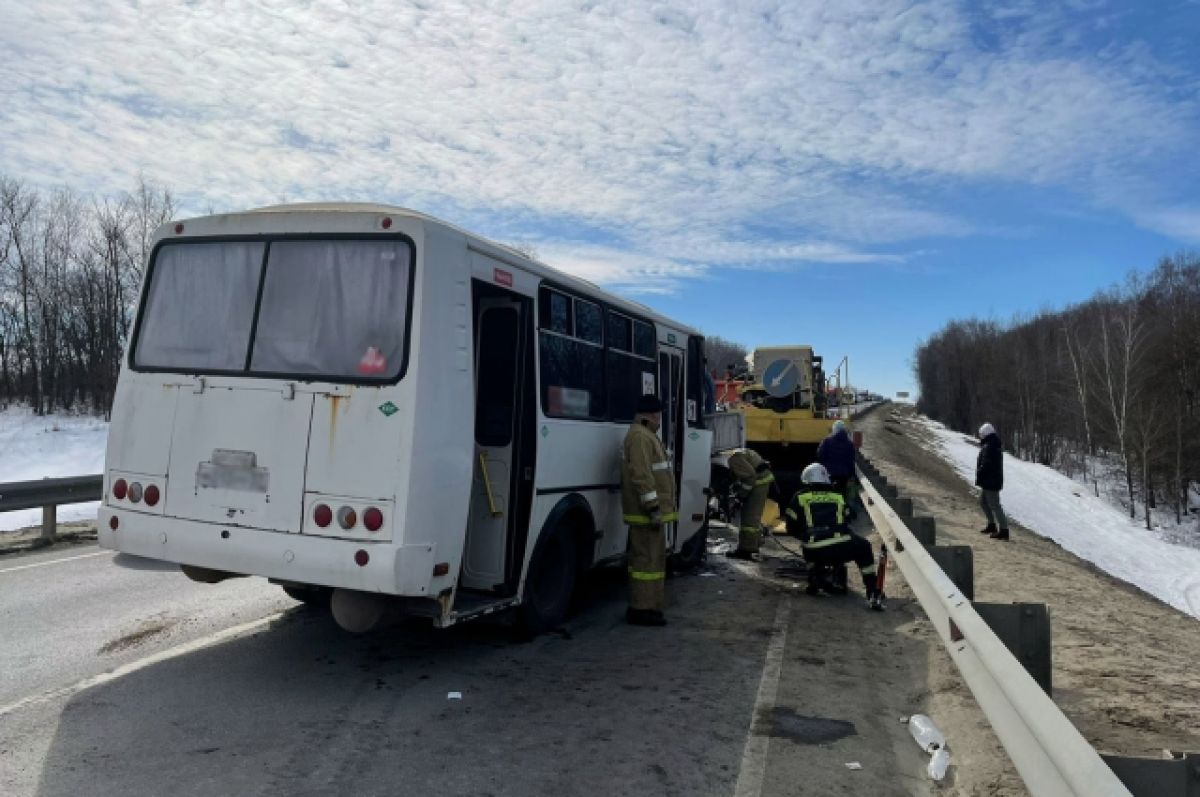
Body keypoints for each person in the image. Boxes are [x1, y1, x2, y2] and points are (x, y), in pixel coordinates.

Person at [784, 463, 883, 610]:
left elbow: (790, 526)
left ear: (807, 479)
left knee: (814, 550)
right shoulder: (837, 496)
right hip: (839, 545)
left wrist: (805, 536)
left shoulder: (799, 497)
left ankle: (815, 575)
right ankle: (872, 590)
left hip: (813, 549)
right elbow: (849, 517)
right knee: (864, 547)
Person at [620, 394, 677, 626]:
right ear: (653, 414)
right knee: (645, 562)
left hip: (650, 513)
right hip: (646, 513)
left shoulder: (645, 435)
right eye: (659, 414)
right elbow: (642, 476)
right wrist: (653, 507)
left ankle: (649, 605)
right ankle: (640, 608)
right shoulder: (640, 437)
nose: (660, 418)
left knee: (652, 562)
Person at [724, 448, 774, 561]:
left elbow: (750, 477)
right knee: (752, 517)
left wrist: (741, 495)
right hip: (761, 481)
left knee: (750, 519)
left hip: (758, 484)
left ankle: (747, 551)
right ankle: (754, 545)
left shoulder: (734, 459)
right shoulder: (739, 453)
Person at [976, 422, 1009, 540]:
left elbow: (987, 463)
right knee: (983, 502)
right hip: (989, 480)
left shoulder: (991, 446)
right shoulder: (992, 444)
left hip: (991, 481)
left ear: (986, 434)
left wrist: (980, 472)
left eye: (981, 434)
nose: (980, 436)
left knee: (995, 505)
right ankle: (991, 525)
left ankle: (1004, 530)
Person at [817, 419, 857, 504]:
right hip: (843, 475)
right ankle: (841, 512)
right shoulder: (850, 444)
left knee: (828, 496)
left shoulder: (827, 441)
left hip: (829, 474)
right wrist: (851, 475)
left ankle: (829, 510)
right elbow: (851, 460)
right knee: (841, 495)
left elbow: (820, 456)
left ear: (834, 429)